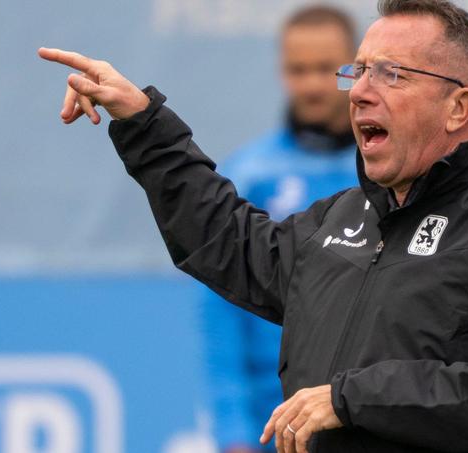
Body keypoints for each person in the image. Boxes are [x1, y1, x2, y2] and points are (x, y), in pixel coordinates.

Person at [38, 0, 468, 451]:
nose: (358, 91)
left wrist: (350, 399)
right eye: (358, 71)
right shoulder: (342, 216)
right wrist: (142, 121)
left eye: (392, 74)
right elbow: (227, 243)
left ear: (459, 107)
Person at [200, 6, 358, 453]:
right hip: (275, 426)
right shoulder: (250, 175)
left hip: (368, 414)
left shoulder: (389, 170)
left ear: (355, 68)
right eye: (297, 69)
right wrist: (232, 429)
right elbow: (221, 311)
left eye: (325, 69)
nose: (310, 84)